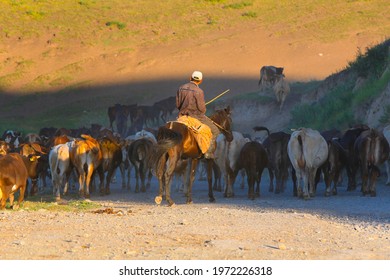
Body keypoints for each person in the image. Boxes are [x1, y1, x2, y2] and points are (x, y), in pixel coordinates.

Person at [176, 71, 219, 159]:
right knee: (215, 130)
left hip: (182, 116)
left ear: (190, 78)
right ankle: (208, 153)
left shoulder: (181, 88)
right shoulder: (199, 91)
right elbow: (202, 109)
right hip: (196, 116)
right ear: (200, 81)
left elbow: (178, 105)